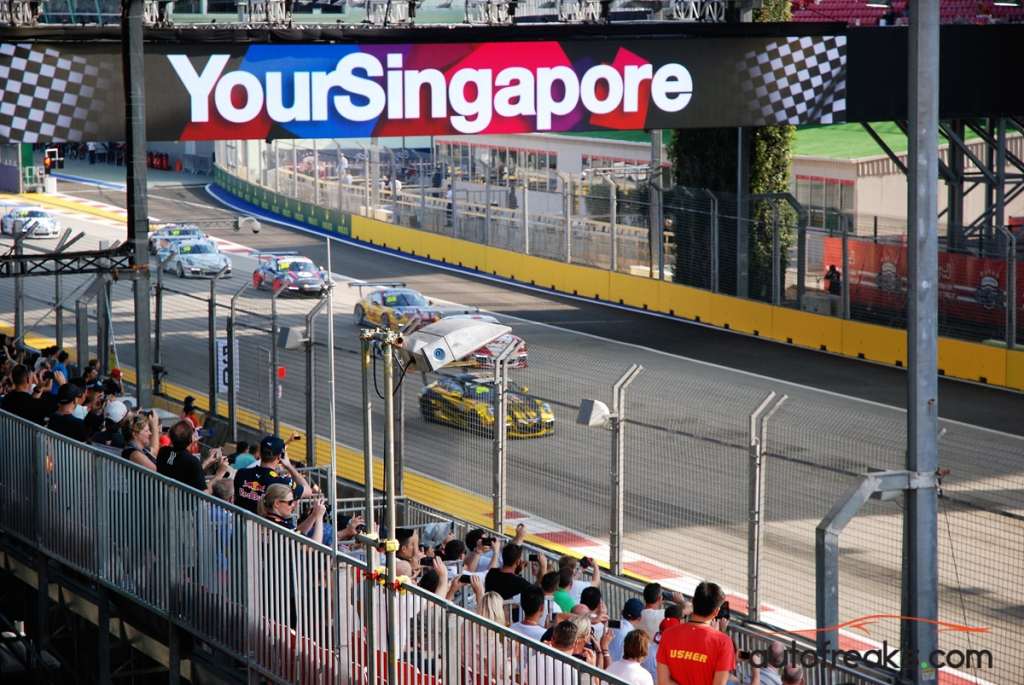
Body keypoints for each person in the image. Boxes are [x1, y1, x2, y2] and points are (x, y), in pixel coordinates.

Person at [656, 581, 734, 685]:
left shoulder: (668, 634)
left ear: (693, 603)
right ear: (716, 612)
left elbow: (663, 682)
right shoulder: (723, 642)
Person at [233, 435, 312, 514]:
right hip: (265, 525)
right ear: (281, 456)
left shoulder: (241, 473)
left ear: (260, 453)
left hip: (238, 523)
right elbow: (308, 491)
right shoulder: (282, 482)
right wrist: (289, 466)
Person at [157, 420, 228, 494]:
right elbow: (204, 495)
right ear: (191, 439)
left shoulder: (163, 452)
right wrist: (220, 473)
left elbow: (185, 473)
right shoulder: (192, 462)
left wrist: (206, 463)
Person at [258, 483, 326, 544]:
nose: (293, 505)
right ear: (277, 503)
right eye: (290, 502)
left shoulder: (265, 521)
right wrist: (319, 518)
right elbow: (313, 548)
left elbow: (297, 533)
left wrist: (314, 515)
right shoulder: (282, 527)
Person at [608, 598, 645, 662]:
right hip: (617, 669)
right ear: (639, 618)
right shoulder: (632, 635)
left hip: (605, 666)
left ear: (623, 611)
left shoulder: (612, 623)